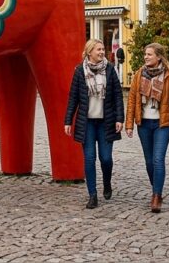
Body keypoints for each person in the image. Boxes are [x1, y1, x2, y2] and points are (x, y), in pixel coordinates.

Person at [64, 39, 124, 209]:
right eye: (98, 49)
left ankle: (106, 181)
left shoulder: (110, 70)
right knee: (89, 158)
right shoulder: (79, 71)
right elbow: (73, 97)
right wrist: (68, 120)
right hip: (87, 122)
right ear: (89, 52)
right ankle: (92, 194)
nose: (102, 52)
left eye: (103, 49)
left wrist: (120, 118)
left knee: (105, 158)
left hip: (106, 121)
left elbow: (118, 96)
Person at [124, 43, 169, 213]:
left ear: (159, 57)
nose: (146, 57)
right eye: (145, 54)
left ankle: (156, 195)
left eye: (149, 54)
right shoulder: (138, 75)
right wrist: (129, 125)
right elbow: (132, 101)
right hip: (143, 124)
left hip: (162, 124)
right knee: (149, 162)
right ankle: (156, 185)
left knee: (158, 159)